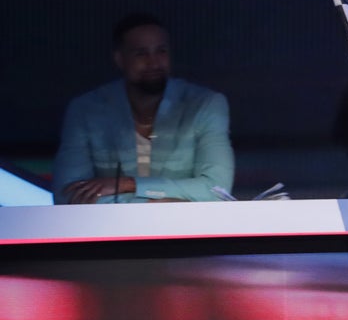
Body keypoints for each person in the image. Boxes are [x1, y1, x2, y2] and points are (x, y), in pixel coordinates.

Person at [52, 13, 234, 204]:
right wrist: (170, 203)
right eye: (141, 53)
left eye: (161, 51)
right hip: (112, 231)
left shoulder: (205, 104)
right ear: (120, 59)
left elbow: (217, 191)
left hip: (183, 231)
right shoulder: (86, 110)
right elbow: (68, 196)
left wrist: (129, 184)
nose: (154, 63)